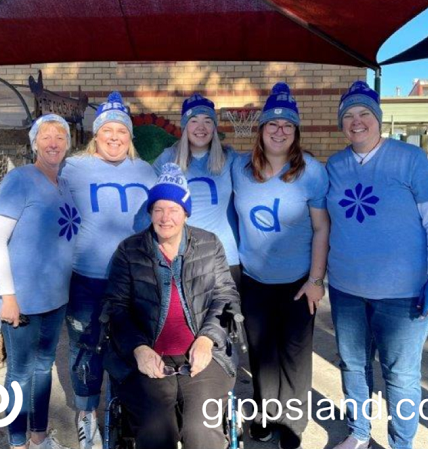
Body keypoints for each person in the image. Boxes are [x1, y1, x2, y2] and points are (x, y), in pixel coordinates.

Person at [326, 81, 428, 449]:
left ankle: (401, 443)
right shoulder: (335, 165)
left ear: (378, 119)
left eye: (364, 113)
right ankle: (359, 432)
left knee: (400, 374)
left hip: (403, 292)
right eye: (348, 115)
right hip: (347, 287)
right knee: (352, 364)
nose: (357, 121)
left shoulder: (409, 159)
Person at [102, 163, 240, 449]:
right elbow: (116, 307)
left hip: (203, 357)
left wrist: (207, 339)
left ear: (185, 212)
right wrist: (138, 349)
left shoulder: (209, 244)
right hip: (149, 356)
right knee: (156, 435)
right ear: (150, 212)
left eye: (174, 209)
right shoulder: (130, 250)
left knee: (201, 432)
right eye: (159, 209)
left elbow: (226, 297)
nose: (166, 218)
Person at [232, 83, 330, 449]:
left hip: (297, 281)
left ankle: (292, 424)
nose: (279, 130)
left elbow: (321, 227)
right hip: (255, 280)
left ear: (296, 132)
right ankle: (263, 415)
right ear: (260, 130)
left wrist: (316, 279)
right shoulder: (239, 169)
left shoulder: (312, 173)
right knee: (261, 353)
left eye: (287, 125)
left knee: (294, 355)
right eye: (272, 124)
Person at [60, 92, 156, 449]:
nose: (114, 137)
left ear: (130, 137)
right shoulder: (72, 169)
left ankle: (120, 413)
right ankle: (88, 415)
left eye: (122, 131)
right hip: (86, 278)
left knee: (127, 347)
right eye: (107, 131)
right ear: (95, 135)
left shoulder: (145, 171)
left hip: (132, 281)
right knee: (86, 349)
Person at [0, 114, 78, 449]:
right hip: (22, 300)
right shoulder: (19, 180)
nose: (53, 143)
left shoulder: (64, 183)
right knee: (20, 373)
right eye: (46, 136)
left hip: (55, 298)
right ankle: (17, 442)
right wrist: (8, 295)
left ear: (67, 143)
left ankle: (39, 437)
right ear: (34, 142)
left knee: (43, 370)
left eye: (59, 136)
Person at [153, 93, 240, 286]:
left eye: (208, 121)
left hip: (225, 257)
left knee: (226, 316)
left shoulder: (230, 158)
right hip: (183, 256)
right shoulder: (168, 158)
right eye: (193, 121)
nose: (201, 127)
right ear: (185, 126)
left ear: (214, 128)